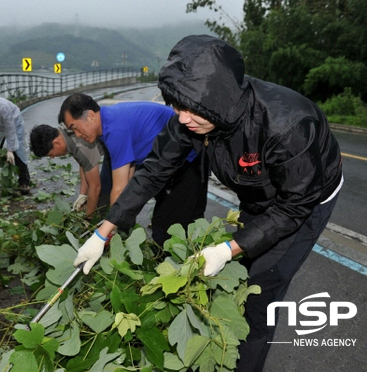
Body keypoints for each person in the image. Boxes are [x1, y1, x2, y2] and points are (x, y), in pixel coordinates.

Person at [72, 35, 343, 372]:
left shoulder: (287, 126)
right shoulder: (194, 115)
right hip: (257, 192)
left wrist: (227, 248)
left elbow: (293, 207)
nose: (181, 117)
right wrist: (104, 231)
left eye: (187, 109)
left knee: (261, 293)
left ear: (218, 99)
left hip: (306, 198)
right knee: (239, 275)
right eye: (176, 106)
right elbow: (153, 171)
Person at [59, 94, 207, 246]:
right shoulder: (108, 122)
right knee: (184, 220)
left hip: (187, 159)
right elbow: (129, 175)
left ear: (90, 116)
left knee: (166, 228)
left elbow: (119, 188)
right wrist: (114, 222)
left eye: (75, 128)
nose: (77, 135)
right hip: (171, 162)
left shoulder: (114, 129)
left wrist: (108, 230)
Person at [29, 124, 111, 217]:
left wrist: (89, 218)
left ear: (56, 143)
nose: (52, 157)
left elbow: (95, 186)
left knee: (108, 198)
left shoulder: (80, 146)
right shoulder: (64, 131)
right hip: (109, 147)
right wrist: (82, 195)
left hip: (120, 145)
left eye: (50, 154)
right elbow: (84, 164)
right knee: (99, 198)